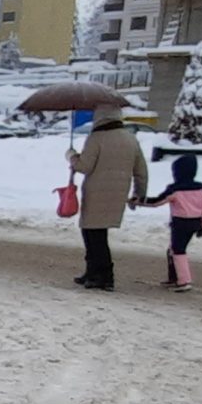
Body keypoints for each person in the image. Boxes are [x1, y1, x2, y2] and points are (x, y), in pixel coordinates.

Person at [68, 103, 148, 291]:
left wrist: (72, 157)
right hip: (119, 194)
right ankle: (93, 272)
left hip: (96, 193)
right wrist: (139, 193)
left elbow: (84, 167)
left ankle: (102, 276)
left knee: (93, 235)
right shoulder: (130, 139)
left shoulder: (96, 138)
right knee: (98, 234)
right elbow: (141, 171)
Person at [140, 153, 202, 292]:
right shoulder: (200, 187)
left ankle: (184, 281)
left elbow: (156, 202)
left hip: (180, 224)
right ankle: (174, 278)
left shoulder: (175, 189)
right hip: (195, 223)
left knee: (178, 250)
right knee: (173, 250)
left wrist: (139, 201)